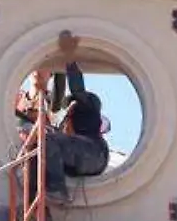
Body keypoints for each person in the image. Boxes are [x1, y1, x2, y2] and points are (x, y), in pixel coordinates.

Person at [15, 31, 111, 206]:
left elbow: (77, 89)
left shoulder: (86, 106)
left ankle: (57, 190)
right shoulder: (65, 126)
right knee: (36, 152)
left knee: (45, 141)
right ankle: (38, 206)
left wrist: (68, 56)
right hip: (81, 162)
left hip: (95, 154)